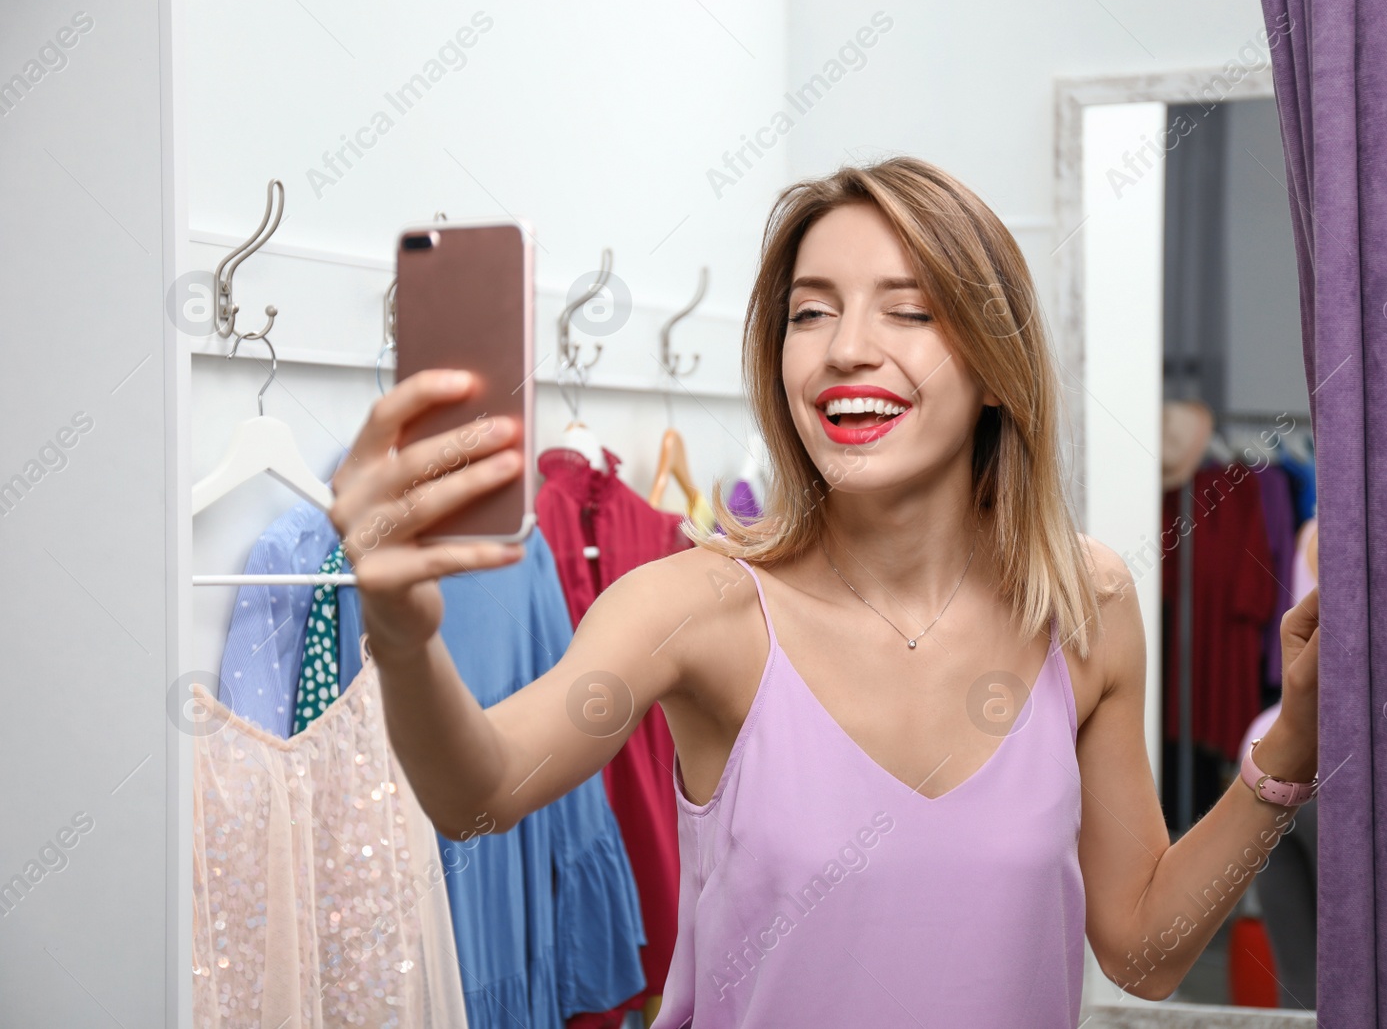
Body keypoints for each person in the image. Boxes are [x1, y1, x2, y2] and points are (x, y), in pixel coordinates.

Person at [328, 157, 1322, 1027]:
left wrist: (1287, 750)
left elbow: (1145, 953)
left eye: (908, 309)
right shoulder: (696, 606)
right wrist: (405, 640)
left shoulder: (1084, 603)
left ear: (992, 366)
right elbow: (480, 796)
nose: (845, 346)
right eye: (810, 312)